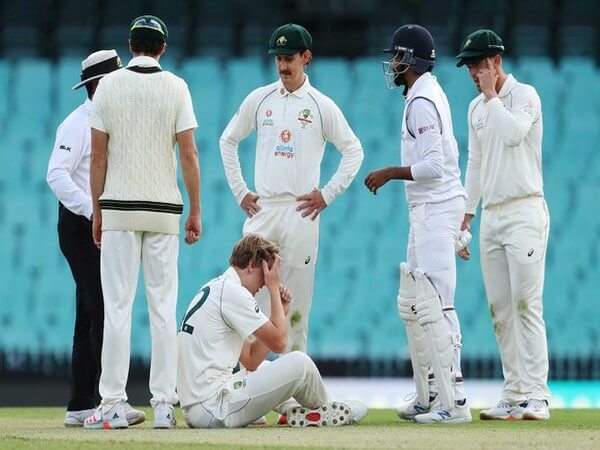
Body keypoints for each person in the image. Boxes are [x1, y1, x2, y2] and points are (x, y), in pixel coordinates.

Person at [84, 15, 202, 429]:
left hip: (117, 209)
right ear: (162, 49)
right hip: (163, 211)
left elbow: (98, 156)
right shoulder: (177, 86)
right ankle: (165, 406)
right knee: (162, 308)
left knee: (117, 307)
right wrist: (196, 209)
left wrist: (98, 211)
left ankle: (113, 401)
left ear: (130, 45)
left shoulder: (109, 86)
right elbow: (188, 153)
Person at [220, 23, 364, 355]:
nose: (283, 66)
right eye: (278, 58)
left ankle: (292, 394)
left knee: (296, 305)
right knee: (246, 298)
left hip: (301, 212)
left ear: (306, 57)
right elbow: (227, 140)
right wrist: (241, 190)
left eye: (289, 58)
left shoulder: (319, 105)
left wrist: (327, 194)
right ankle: (247, 388)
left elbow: (354, 150)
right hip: (265, 208)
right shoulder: (261, 99)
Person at [364, 24, 472, 424]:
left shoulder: (423, 101)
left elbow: (434, 166)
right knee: (414, 304)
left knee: (438, 304)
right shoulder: (422, 94)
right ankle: (429, 395)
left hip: (436, 208)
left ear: (410, 60)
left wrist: (389, 172)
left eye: (396, 57)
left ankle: (454, 400)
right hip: (427, 210)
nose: (392, 64)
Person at [47, 49, 145, 428]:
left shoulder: (106, 120)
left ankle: (81, 403)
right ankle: (108, 402)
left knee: (90, 311)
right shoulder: (77, 124)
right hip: (80, 227)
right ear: (100, 85)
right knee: (104, 307)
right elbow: (56, 174)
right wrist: (93, 211)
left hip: (96, 225)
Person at [455, 29, 550, 421]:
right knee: (500, 310)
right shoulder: (476, 109)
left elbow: (513, 135)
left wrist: (493, 96)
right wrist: (466, 217)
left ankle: (538, 396)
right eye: (469, 67)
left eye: (479, 64)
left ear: (496, 61)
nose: (474, 73)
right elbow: (475, 164)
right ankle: (513, 394)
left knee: (527, 305)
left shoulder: (525, 95)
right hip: (492, 215)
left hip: (525, 211)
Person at [177, 234, 367, 428]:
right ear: (252, 264)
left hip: (201, 408)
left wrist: (280, 313)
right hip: (214, 407)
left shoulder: (219, 288)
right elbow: (279, 343)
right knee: (300, 363)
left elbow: (251, 359)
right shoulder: (234, 293)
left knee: (264, 367)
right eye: (266, 273)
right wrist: (274, 289)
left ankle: (294, 410)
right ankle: (332, 409)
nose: (264, 284)